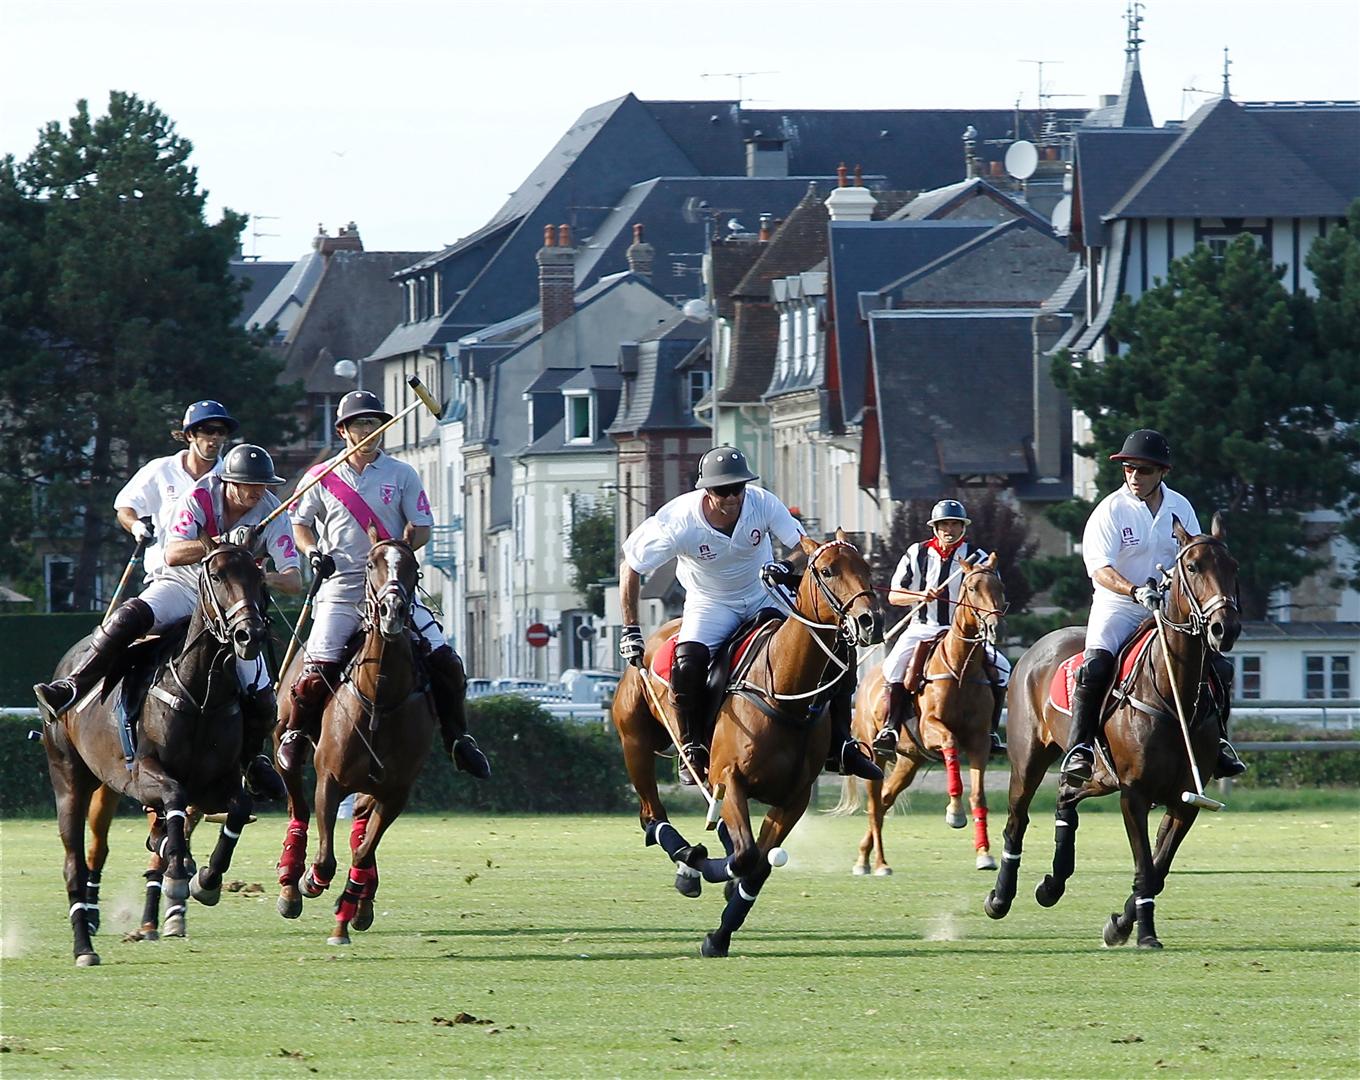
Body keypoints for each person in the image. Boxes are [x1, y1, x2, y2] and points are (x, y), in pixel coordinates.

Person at [35, 444, 303, 798]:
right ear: (228, 482)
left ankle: (252, 762)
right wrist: (222, 544)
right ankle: (73, 686)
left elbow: (294, 580)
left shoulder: (273, 510)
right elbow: (173, 553)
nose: (256, 493)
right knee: (129, 616)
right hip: (184, 586)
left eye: (262, 485)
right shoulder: (200, 497)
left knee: (262, 695)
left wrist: (261, 576)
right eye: (248, 485)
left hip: (233, 603)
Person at [618, 445, 882, 785]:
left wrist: (784, 566)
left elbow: (804, 547)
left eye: (737, 488)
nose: (731, 497)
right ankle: (692, 748)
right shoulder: (678, 520)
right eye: (721, 490)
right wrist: (630, 629)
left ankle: (842, 745)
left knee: (835, 647)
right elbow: (631, 565)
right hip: (710, 602)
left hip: (764, 593)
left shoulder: (762, 502)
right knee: (688, 662)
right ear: (705, 490)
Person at [275, 389, 490, 780]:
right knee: (315, 669)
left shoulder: (402, 473)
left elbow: (422, 526)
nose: (370, 430)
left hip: (391, 588)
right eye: (360, 423)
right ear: (344, 431)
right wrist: (311, 553)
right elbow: (299, 523)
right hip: (340, 589)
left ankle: (458, 738)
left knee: (445, 660)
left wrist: (403, 551)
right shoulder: (320, 477)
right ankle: (296, 734)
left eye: (375, 423)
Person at [1060, 429, 1245, 790]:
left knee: (1218, 668)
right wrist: (1134, 590)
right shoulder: (1110, 510)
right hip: (1119, 605)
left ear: (1162, 472)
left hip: (1170, 607)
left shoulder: (1181, 507)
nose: (1134, 476)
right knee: (1095, 666)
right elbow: (1100, 568)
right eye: (1128, 468)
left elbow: (1194, 557)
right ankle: (1079, 748)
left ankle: (1218, 742)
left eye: (1143, 470)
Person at [873, 500, 1010, 754]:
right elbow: (893, 595)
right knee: (893, 667)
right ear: (934, 528)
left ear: (963, 528)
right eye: (944, 525)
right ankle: (890, 728)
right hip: (923, 627)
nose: (949, 530)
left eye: (955, 525)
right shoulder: (917, 553)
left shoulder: (978, 557)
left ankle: (990, 732)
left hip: (964, 633)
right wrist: (920, 595)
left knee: (1003, 668)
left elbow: (992, 594)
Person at [113, 400, 236, 581]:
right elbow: (125, 508)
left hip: (217, 578)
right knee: (133, 610)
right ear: (190, 435)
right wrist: (136, 527)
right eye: (209, 430)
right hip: (166, 575)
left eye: (222, 431)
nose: (216, 437)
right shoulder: (160, 469)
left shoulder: (231, 476)